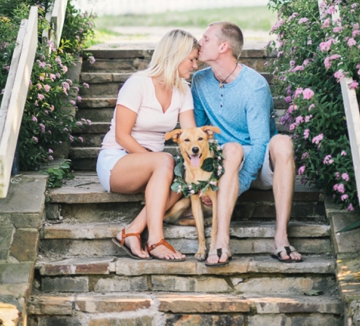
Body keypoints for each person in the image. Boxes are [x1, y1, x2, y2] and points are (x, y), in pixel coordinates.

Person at [192, 21, 301, 266]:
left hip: (259, 165)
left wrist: (239, 184)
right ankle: (221, 241)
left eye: (206, 38)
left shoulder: (254, 86)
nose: (200, 42)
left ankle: (281, 237)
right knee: (231, 148)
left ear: (223, 47)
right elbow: (198, 134)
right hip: (225, 162)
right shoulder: (199, 81)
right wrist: (204, 181)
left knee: (283, 143)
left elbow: (262, 141)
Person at [97, 29, 199, 261]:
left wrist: (200, 170)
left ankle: (131, 230)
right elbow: (122, 135)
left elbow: (190, 136)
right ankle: (155, 240)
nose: (194, 65)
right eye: (192, 59)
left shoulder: (183, 90)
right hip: (118, 161)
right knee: (166, 161)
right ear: (176, 54)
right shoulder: (138, 84)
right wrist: (155, 162)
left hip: (153, 166)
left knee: (187, 178)